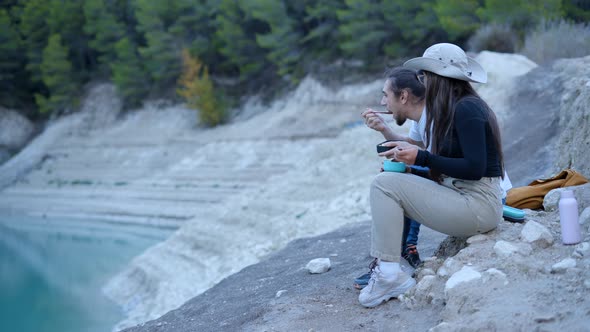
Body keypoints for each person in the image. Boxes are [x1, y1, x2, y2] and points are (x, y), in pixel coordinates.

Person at [357, 43, 505, 308]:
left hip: (479, 205)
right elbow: (447, 162)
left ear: (439, 77)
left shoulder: (467, 109)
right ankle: (390, 268)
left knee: (384, 185)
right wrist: (414, 162)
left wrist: (420, 159)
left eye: (425, 75)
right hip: (464, 196)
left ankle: (390, 274)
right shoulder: (453, 108)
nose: (423, 81)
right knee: (390, 180)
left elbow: (475, 168)